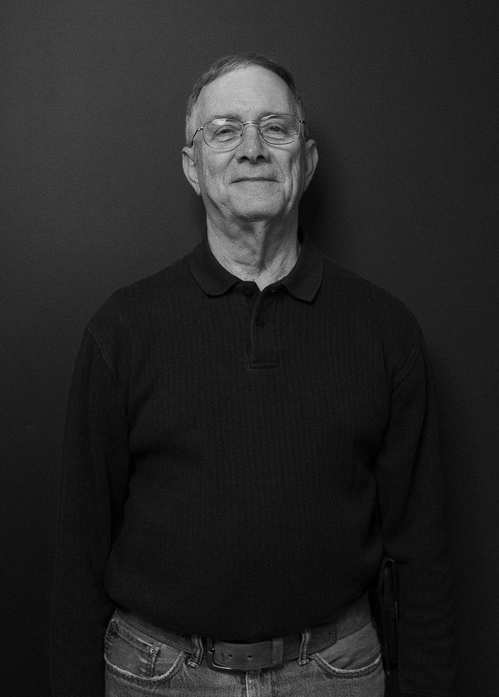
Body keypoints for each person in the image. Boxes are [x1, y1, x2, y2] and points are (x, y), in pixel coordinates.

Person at [50, 53, 455, 697]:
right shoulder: (122, 330)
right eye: (225, 130)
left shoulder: (385, 330)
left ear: (307, 160)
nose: (252, 149)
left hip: (335, 673)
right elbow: (78, 552)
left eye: (275, 127)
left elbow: (423, 551)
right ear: (193, 166)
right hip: (157, 675)